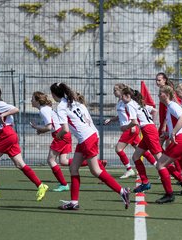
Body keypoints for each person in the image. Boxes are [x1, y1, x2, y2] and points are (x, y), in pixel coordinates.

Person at [50, 82, 130, 210]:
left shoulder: (61, 107)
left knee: (95, 170)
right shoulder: (75, 102)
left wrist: (58, 135)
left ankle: (122, 191)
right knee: (73, 168)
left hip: (87, 138)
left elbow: (65, 129)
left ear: (54, 95)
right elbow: (87, 119)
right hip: (90, 135)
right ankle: (74, 202)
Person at [0, 85, 48, 201]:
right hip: (8, 135)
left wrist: (4, 114)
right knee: (20, 164)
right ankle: (41, 185)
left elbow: (16, 109)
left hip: (6, 135)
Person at [104, 83, 157, 179]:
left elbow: (131, 115)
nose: (113, 92)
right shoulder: (121, 102)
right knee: (141, 150)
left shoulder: (127, 102)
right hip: (130, 128)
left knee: (118, 149)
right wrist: (111, 120)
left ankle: (129, 169)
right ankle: (157, 165)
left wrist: (132, 126)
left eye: (115, 90)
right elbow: (121, 116)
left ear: (121, 90)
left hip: (130, 129)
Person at [120, 87, 166, 193]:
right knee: (136, 157)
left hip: (148, 130)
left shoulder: (130, 104)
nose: (120, 98)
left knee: (160, 159)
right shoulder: (137, 103)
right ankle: (145, 182)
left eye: (122, 95)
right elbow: (153, 111)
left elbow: (135, 122)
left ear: (128, 96)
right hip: (148, 130)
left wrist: (125, 127)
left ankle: (180, 178)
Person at [30, 91, 71, 192]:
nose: (31, 101)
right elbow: (51, 126)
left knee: (50, 160)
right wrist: (40, 130)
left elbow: (49, 127)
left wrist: (37, 127)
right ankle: (97, 163)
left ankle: (64, 184)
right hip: (65, 134)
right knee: (63, 161)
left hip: (60, 135)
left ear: (37, 101)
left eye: (32, 99)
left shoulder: (43, 110)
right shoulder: (46, 109)